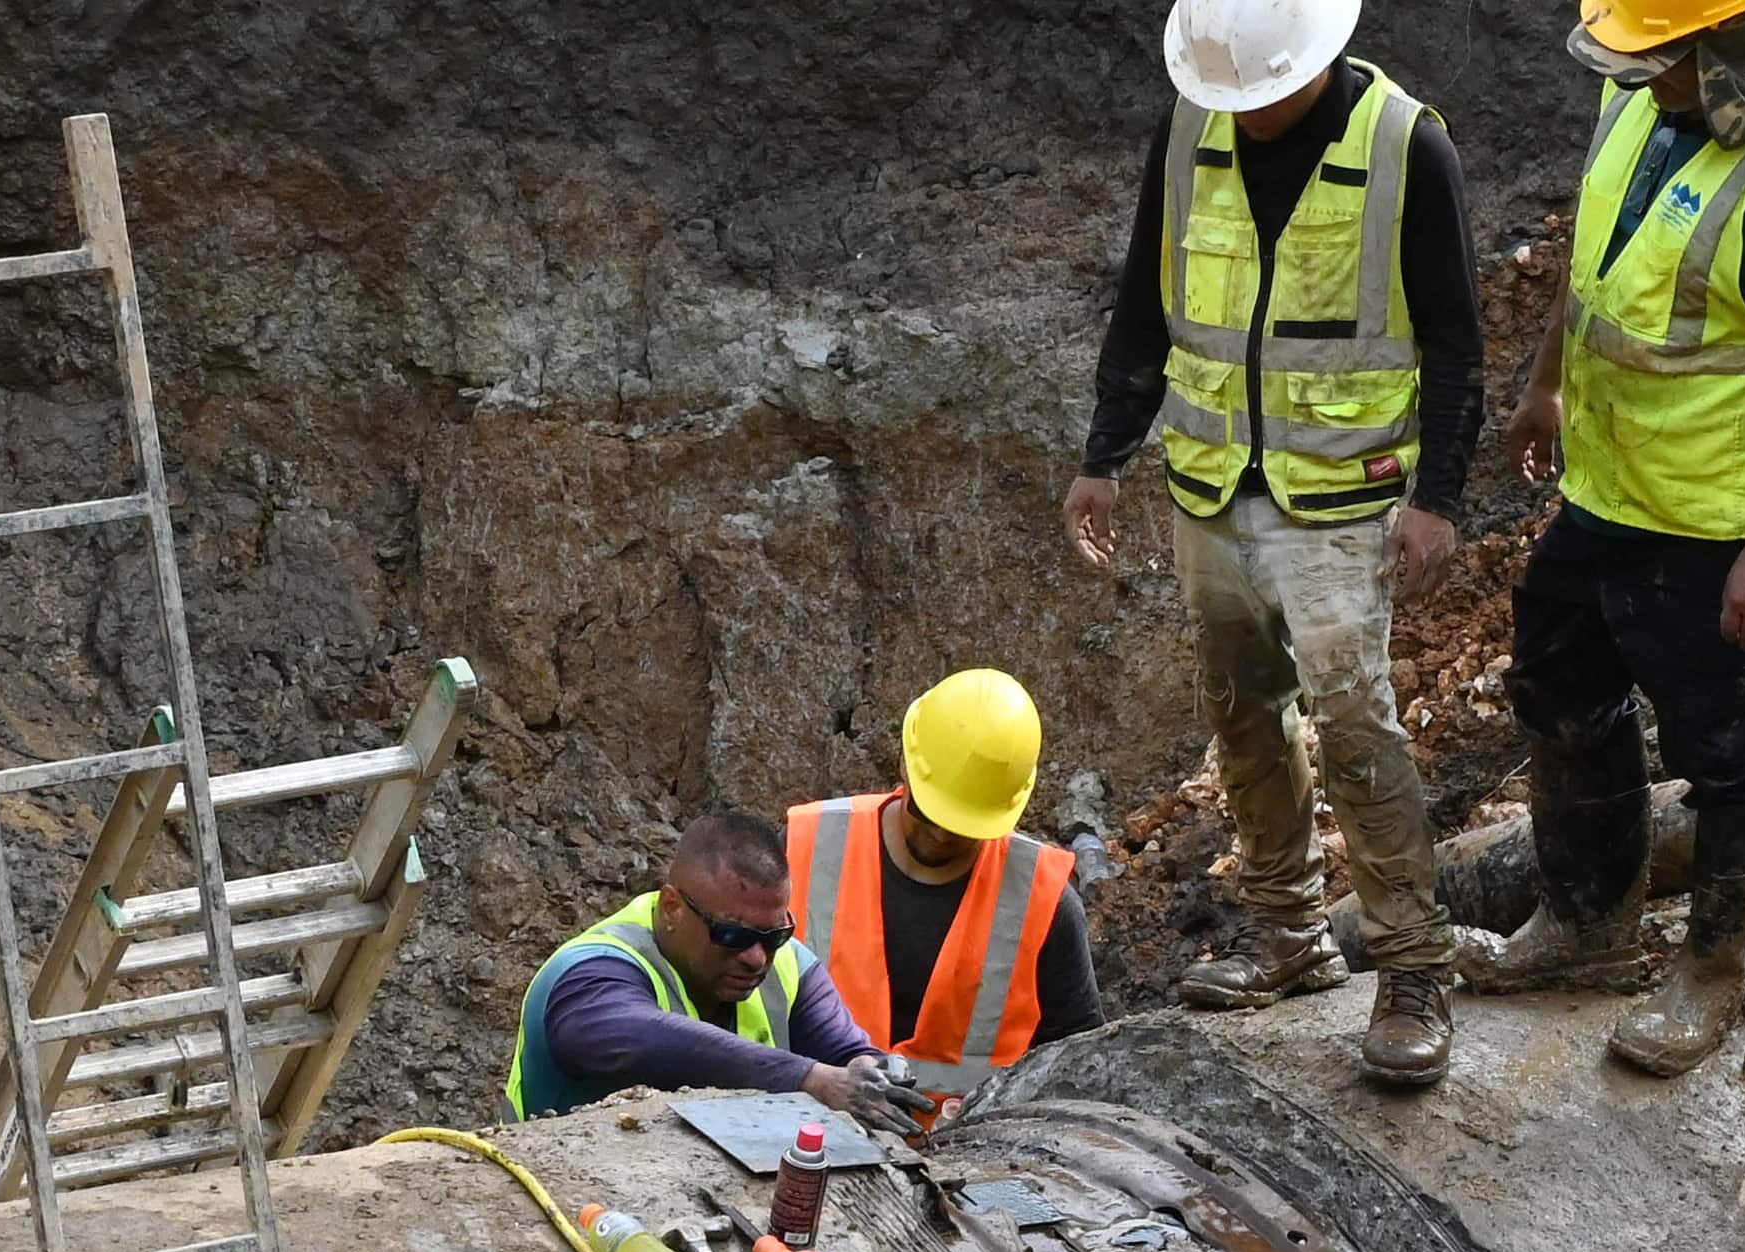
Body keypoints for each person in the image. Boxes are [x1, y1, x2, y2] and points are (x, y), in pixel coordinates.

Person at [1062, 0, 1489, 1086]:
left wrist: (1438, 495)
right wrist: (1105, 453)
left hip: (1339, 500)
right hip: (1210, 487)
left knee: (1356, 723)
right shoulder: (1193, 123)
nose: (1244, 116)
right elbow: (1142, 302)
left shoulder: (1405, 148)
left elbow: (1455, 339)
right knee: (1241, 719)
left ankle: (1409, 967)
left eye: (1264, 96)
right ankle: (1289, 937)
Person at [1460, 0, 1745, 1078]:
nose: (1634, 75)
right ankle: (1588, 924)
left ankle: (1708, 968)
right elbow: (1598, 255)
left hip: (1716, 526)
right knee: (1559, 682)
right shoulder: (1639, 93)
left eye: (1656, 59)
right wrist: (1549, 379)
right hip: (1611, 489)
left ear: (1721, 46)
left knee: (1724, 746)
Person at [787, 669, 1105, 1109]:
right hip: (805, 1135)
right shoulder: (803, 849)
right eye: (927, 810)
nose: (939, 835)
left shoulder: (1044, 901)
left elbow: (1080, 1067)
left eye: (962, 825)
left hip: (972, 1160)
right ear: (904, 762)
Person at [505, 810, 935, 1127]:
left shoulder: (787, 967)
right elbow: (648, 1041)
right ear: (672, 907)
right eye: (732, 935)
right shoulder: (589, 975)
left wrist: (871, 1071)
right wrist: (809, 1078)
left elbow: (843, 1053)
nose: (756, 958)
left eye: (774, 936)